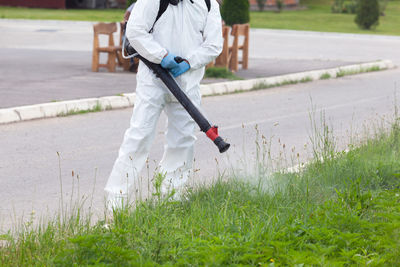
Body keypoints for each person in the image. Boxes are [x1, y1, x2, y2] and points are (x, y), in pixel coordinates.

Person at [104, 0, 223, 209]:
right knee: (139, 136)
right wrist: (163, 56)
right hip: (154, 81)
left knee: (183, 141)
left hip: (188, 84)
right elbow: (136, 31)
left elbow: (214, 45)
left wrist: (190, 62)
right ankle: (116, 203)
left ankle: (170, 199)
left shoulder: (208, 3)